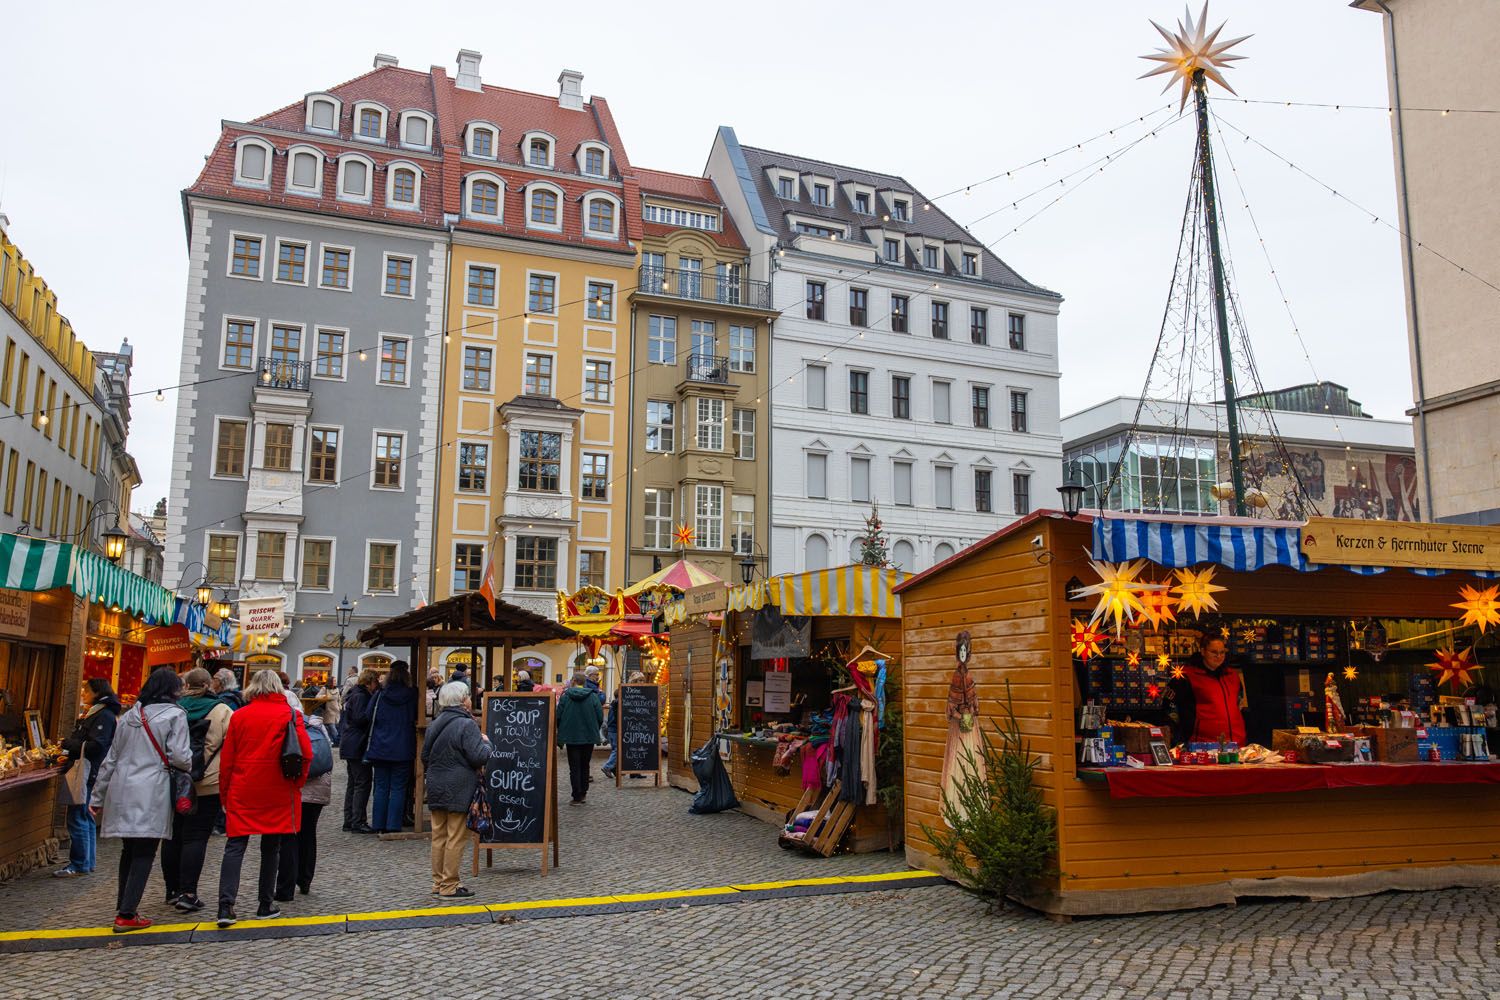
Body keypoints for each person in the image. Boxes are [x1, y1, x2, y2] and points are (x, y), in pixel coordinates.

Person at [89, 667, 191, 933]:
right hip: (151, 789)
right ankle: (126, 914)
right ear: (172, 690)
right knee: (145, 850)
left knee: (129, 850)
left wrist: (97, 797)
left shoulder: (129, 716)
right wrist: (188, 764)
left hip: (122, 788)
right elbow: (180, 757)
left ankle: (124, 905)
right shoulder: (175, 716)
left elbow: (110, 759)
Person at [215, 668, 310, 927]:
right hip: (278, 788)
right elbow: (306, 753)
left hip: (243, 787)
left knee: (235, 846)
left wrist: (225, 793)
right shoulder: (290, 714)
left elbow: (227, 760)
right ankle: (265, 904)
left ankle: (226, 906)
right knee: (272, 847)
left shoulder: (240, 716)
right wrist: (296, 784)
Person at [159, 668, 232, 912]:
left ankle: (171, 889)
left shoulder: (173, 708)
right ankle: (188, 892)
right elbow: (232, 744)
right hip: (207, 782)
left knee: (172, 835)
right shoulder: (222, 710)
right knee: (196, 837)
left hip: (174, 780)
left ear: (186, 684)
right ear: (209, 684)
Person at [422, 681, 489, 897]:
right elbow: (479, 755)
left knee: (438, 835)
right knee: (456, 836)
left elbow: (425, 756)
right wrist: (487, 743)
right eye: (468, 696)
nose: (470, 699)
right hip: (459, 785)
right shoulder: (466, 725)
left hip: (435, 783)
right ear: (463, 700)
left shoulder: (435, 723)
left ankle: (437, 882)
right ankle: (450, 884)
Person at [55, 678, 122, 878]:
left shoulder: (103, 715)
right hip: (90, 770)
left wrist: (69, 744)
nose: (83, 694)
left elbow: (97, 745)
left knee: (78, 816)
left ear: (97, 692)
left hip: (88, 771)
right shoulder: (98, 712)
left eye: (86, 690)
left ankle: (79, 863)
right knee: (85, 816)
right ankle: (87, 861)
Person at [275, 690, 330, 900]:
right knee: (309, 832)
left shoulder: (286, 725)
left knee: (289, 835)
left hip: (295, 786)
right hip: (317, 788)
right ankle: (306, 879)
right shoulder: (315, 723)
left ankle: (286, 885)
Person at [1167, 633, 1247, 747]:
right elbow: (1169, 709)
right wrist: (1180, 738)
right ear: (1203, 651)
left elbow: (1239, 705)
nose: (1219, 656)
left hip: (1236, 744)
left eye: (1222, 652)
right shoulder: (1185, 676)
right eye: (1214, 652)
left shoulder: (1233, 676)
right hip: (1201, 745)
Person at [365, 661, 417, 834]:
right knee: (398, 787)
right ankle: (393, 825)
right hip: (403, 746)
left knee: (380, 786)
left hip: (380, 745)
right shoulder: (412, 694)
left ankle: (378, 823)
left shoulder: (381, 694)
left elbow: (368, 715)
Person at [339, 668, 379, 833]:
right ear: (370, 682)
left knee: (353, 783)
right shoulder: (362, 696)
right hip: (357, 743)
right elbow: (360, 719)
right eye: (376, 681)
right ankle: (357, 821)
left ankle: (350, 820)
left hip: (350, 742)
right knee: (362, 782)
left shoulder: (354, 693)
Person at [557, 671, 603, 805]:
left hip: (571, 737)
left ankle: (576, 795)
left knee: (574, 767)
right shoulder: (593, 697)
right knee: (585, 765)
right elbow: (600, 717)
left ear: (573, 681)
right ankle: (583, 792)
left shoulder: (566, 697)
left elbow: (558, 715)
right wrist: (594, 728)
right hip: (588, 736)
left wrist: (562, 729)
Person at [601, 671, 647, 780]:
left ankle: (630, 771)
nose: (642, 682)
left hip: (633, 727)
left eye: (643, 680)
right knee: (619, 749)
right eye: (639, 680)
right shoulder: (626, 694)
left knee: (632, 749)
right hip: (621, 728)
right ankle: (608, 767)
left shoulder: (644, 693)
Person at [321, 675, 343, 743]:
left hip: (336, 710)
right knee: (331, 726)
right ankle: (337, 741)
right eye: (334, 681)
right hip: (328, 710)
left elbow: (339, 699)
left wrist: (340, 706)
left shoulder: (337, 689)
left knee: (333, 726)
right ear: (330, 682)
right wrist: (324, 696)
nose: (335, 682)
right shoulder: (324, 689)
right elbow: (318, 696)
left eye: (335, 681)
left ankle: (332, 741)